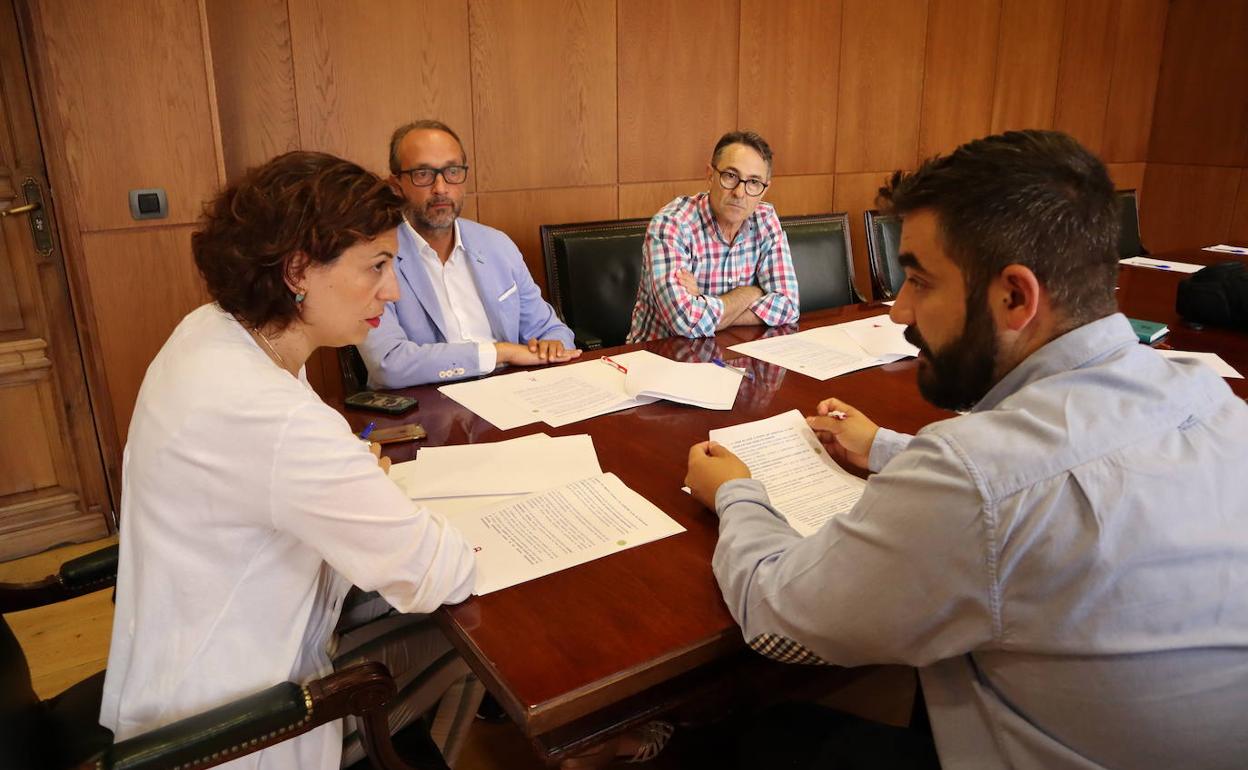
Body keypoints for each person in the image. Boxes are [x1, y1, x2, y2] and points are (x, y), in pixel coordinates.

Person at [684, 130, 1248, 769]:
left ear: (1014, 297)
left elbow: (777, 615)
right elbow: (1051, 470)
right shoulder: (1208, 395)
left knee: (768, 736)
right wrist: (885, 448)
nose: (899, 311)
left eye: (920, 281)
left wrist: (735, 494)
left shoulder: (976, 475)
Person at [100, 151, 479, 770]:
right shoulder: (272, 415)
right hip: (241, 726)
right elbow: (440, 573)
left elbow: (275, 475)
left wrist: (347, 478)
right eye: (377, 266)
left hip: (183, 660)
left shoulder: (211, 331)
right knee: (471, 630)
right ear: (298, 269)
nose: (391, 290)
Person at [359, 120, 578, 388]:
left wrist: (552, 346)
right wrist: (500, 353)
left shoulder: (497, 245)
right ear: (396, 185)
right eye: (423, 174)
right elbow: (388, 364)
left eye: (452, 171)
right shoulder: (374, 258)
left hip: (512, 393)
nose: (441, 188)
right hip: (428, 403)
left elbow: (551, 330)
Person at [627, 130, 799, 343]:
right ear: (710, 175)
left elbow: (789, 306)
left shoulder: (765, 219)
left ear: (764, 189)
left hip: (728, 351)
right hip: (660, 355)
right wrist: (750, 293)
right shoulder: (671, 224)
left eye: (754, 182)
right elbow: (686, 321)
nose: (740, 192)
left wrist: (704, 302)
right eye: (730, 176)